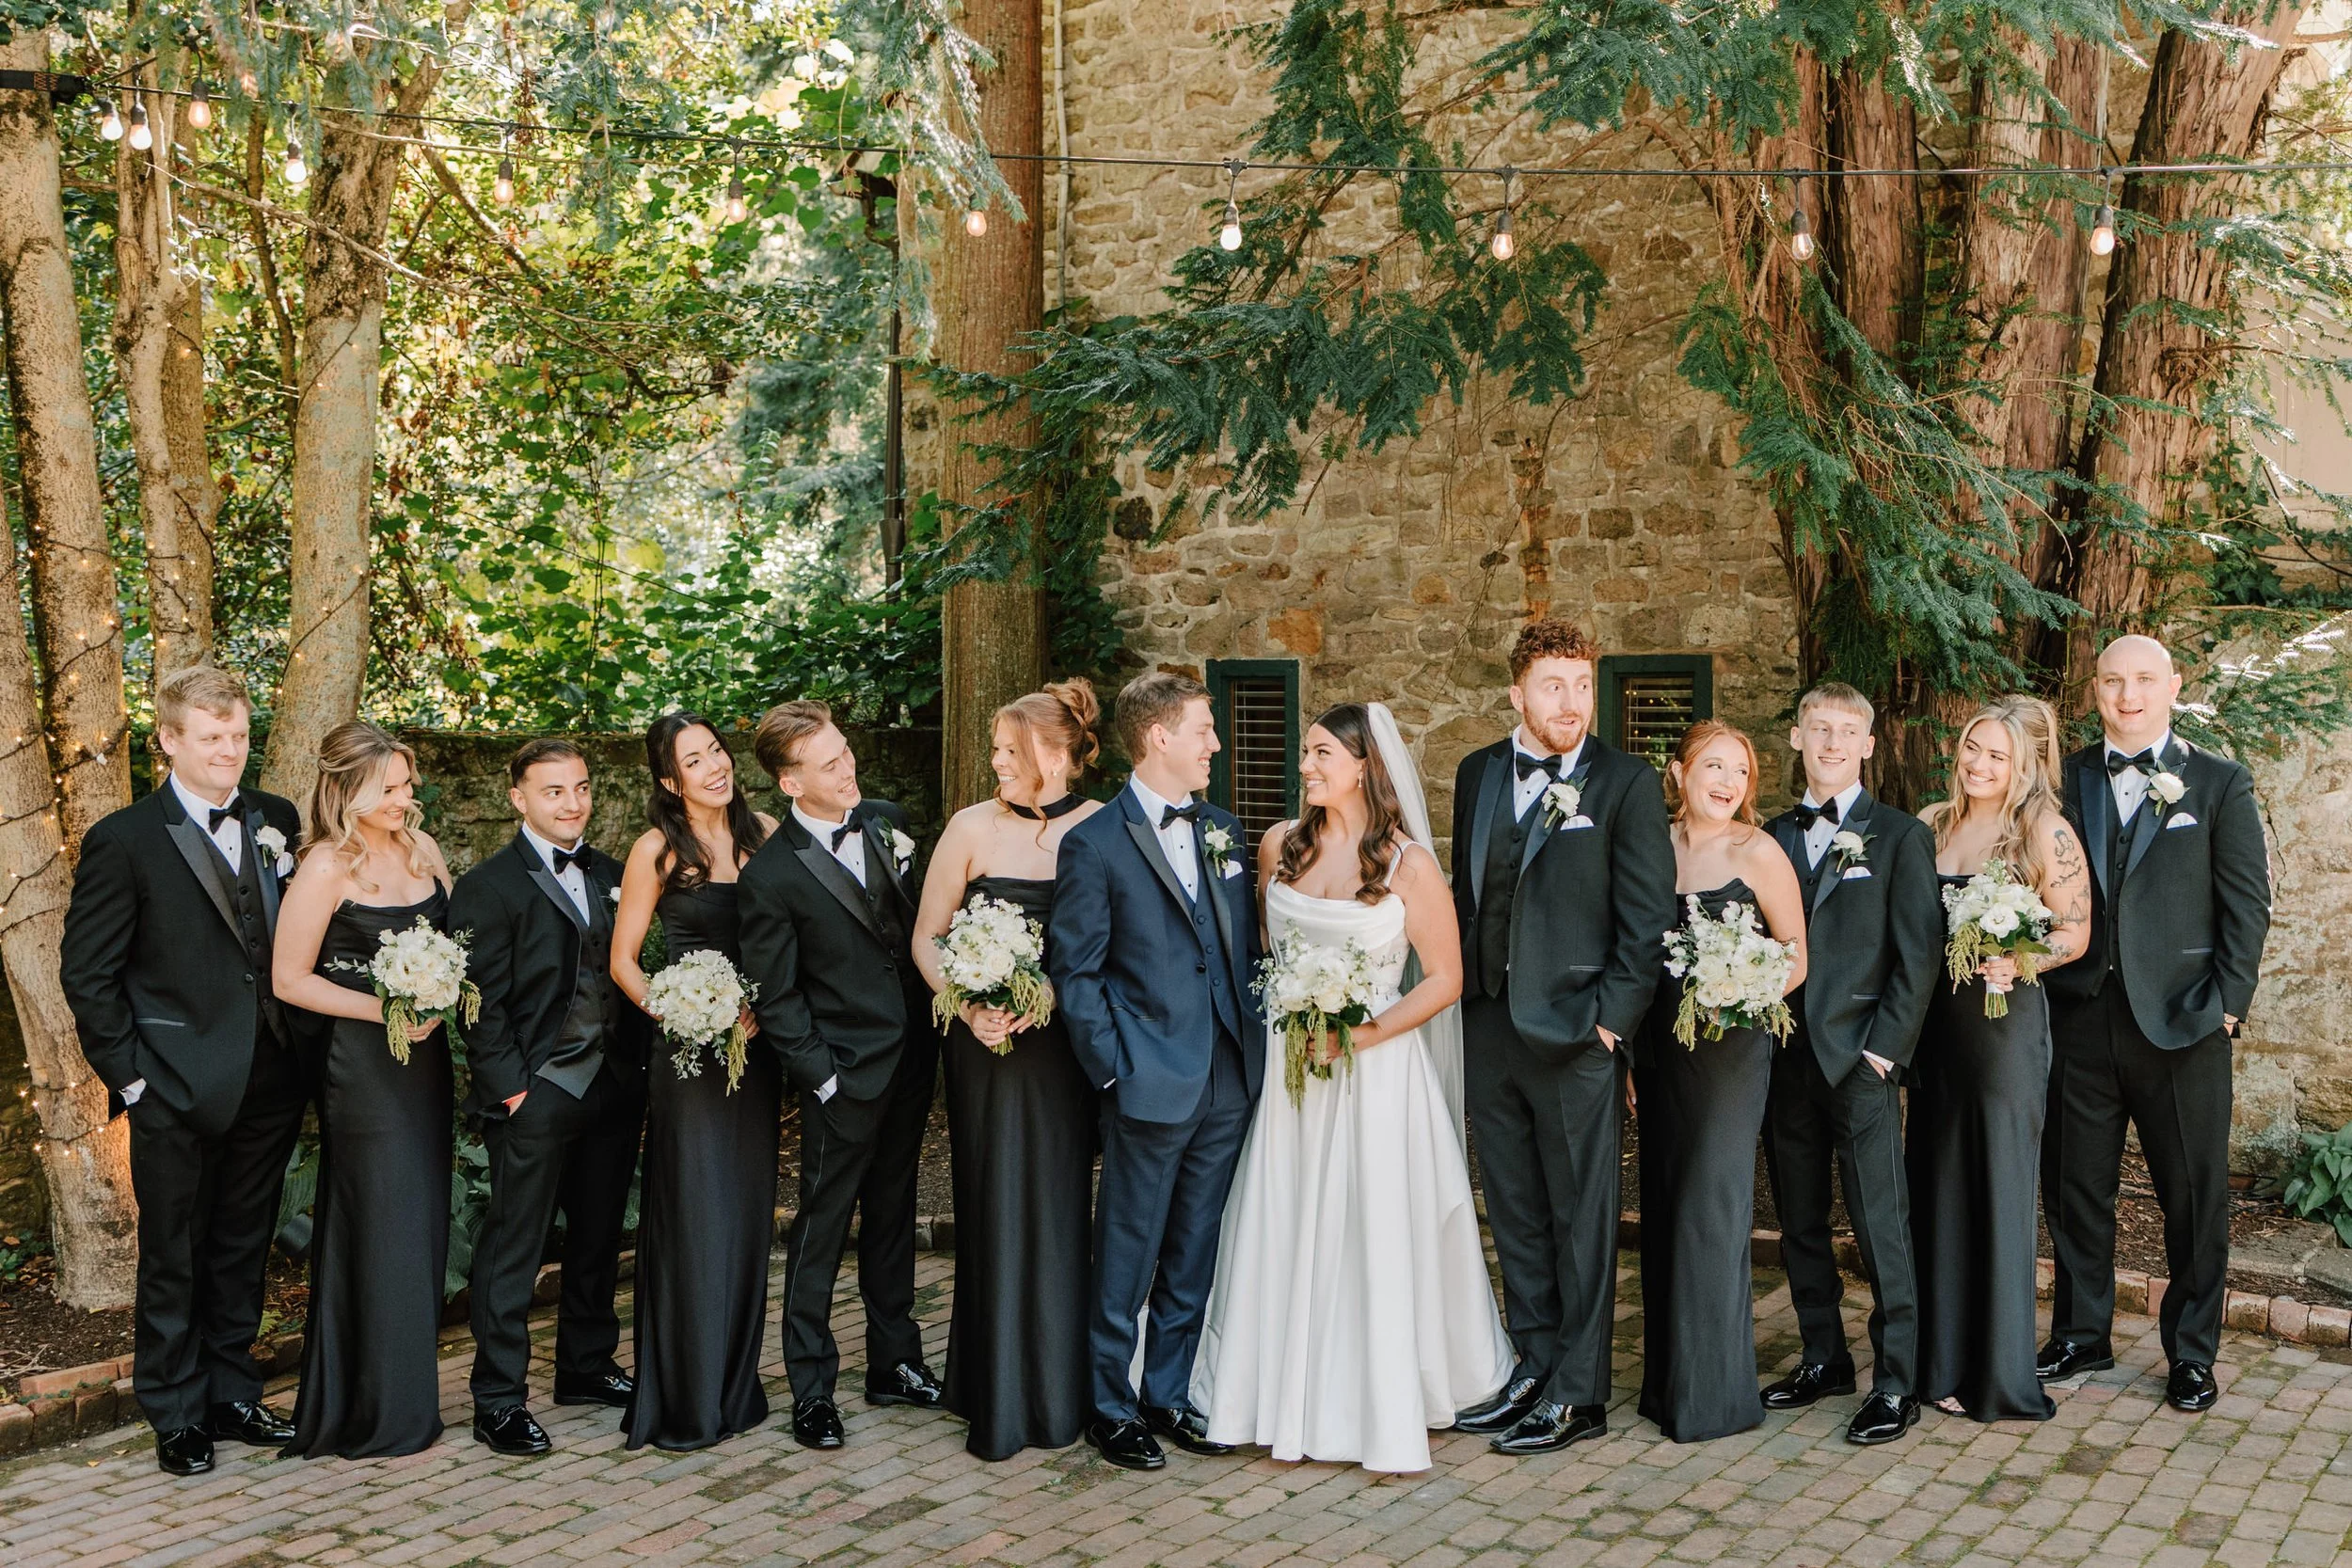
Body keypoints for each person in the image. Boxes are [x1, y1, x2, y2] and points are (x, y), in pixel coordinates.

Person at [1190, 702, 1514, 1473]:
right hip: (1296, 1073)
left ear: (1366, 764)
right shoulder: (1277, 847)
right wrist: (1300, 1018)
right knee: (1290, 1216)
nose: (1307, 766)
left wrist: (1360, 1033)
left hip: (1376, 1075)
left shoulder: (1409, 865)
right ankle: (1273, 1390)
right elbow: (1269, 956)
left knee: (1370, 1226)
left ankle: (1373, 1394)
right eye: (1305, 752)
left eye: (1322, 752)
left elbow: (1445, 979)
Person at [60, 664, 306, 1477]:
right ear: (169, 740)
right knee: (175, 1252)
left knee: (243, 1245)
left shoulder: (276, 819)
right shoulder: (123, 839)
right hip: (171, 1085)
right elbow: (88, 974)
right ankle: (174, 1409)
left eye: (238, 735)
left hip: (270, 1078)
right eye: (212, 737)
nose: (229, 750)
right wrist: (134, 1082)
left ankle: (232, 1390)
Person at [1447, 619, 1677, 1455]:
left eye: (1582, 685)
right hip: (1490, 1028)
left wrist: (1610, 1026)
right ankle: (1533, 1366)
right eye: (1554, 685)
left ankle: (1579, 1394)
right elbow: (1470, 892)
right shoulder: (1476, 772)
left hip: (1580, 1035)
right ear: (1518, 692)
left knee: (1583, 1218)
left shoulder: (1625, 782)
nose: (1572, 703)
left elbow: (1647, 917)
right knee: (1514, 1210)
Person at [2041, 636, 2272, 1413]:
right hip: (2079, 1017)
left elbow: (2247, 905)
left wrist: (2227, 1007)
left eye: (2144, 679)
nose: (2128, 694)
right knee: (2076, 1186)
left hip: (2184, 1024)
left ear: (2174, 685)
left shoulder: (2218, 782)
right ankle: (2079, 1334)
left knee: (2194, 1195)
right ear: (2094, 688)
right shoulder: (2063, 779)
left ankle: (2192, 1353)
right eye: (2112, 680)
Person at [1051, 672, 1263, 1473]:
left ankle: (1166, 1394)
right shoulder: (1095, 843)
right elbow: (1077, 973)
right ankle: (1110, 1406)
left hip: (1226, 1078)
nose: (1215, 743)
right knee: (1129, 1253)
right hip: (1147, 1081)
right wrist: (1115, 1071)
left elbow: (1237, 948)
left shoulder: (1222, 827)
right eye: (1203, 729)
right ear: (1159, 738)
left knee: (1193, 1249)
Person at [737, 700, 944, 1451]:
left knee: (893, 1212)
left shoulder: (887, 820)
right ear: (791, 783)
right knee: (821, 1231)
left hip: (913, 1060)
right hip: (843, 1075)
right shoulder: (771, 875)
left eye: (846, 751)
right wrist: (821, 1077)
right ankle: (813, 1387)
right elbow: (777, 992)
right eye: (829, 763)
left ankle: (894, 1361)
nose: (848, 766)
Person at [914, 680, 1104, 1461]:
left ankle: (1064, 1384)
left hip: (1061, 1050)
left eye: (1008, 749)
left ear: (1055, 755)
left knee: (1059, 1203)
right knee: (991, 1200)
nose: (994, 760)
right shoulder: (968, 827)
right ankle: (990, 1386)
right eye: (994, 747)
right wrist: (964, 1002)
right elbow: (927, 936)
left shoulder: (1104, 829)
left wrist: (1054, 990)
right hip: (984, 1049)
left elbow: (1119, 946)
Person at [449, 738, 649, 1455]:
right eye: (555, 791)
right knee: (515, 1248)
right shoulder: (487, 885)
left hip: (611, 1088)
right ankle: (498, 1399)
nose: (572, 802)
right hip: (535, 1094)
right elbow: (481, 1004)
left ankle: (587, 1366)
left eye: (581, 788)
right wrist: (513, 1093)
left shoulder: (617, 873)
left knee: (597, 1239)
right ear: (520, 798)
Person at [1757, 684, 1942, 1446]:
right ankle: (1824, 1355)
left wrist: (1881, 1053)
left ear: (1869, 745)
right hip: (1782, 1061)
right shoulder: (1767, 835)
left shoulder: (1898, 836)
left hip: (1861, 1063)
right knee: (1798, 1219)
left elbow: (1919, 953)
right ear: (1798, 737)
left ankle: (1896, 1378)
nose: (1832, 741)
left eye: (1848, 731)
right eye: (1820, 727)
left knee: (1880, 1225)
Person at [272, 724, 458, 1459]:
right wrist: (388, 1009)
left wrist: (444, 986)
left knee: (420, 1223)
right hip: (365, 1067)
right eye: (393, 786)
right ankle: (368, 1407)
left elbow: (457, 939)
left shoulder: (423, 849)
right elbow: (292, 979)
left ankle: (409, 1398)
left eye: (408, 783)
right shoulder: (324, 865)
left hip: (427, 1064)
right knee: (379, 1222)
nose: (407, 797)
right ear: (349, 789)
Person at [1911, 698, 2090, 1422]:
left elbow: (2074, 934)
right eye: (1971, 748)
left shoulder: (2042, 830)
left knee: (1996, 1190)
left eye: (1996, 755)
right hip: (1937, 1038)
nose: (1979, 764)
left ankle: (1995, 1371)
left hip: (2002, 1032)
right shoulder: (1934, 824)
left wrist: (2021, 961)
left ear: (2023, 765)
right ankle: (1939, 1363)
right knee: (1937, 1187)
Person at [608, 714, 778, 1451]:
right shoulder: (656, 849)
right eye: (694, 760)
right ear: (669, 781)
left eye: (717, 751)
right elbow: (624, 961)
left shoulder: (767, 831)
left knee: (745, 1211)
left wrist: (765, 1008)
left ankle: (736, 1383)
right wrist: (681, 1012)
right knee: (694, 1211)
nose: (714, 766)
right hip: (688, 1058)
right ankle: (684, 1390)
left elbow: (790, 934)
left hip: (757, 1053)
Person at [1634, 721, 1806, 1444]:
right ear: (1679, 771)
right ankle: (1669, 1386)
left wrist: (1744, 986)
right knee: (1667, 1203)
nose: (1728, 780)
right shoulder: (1650, 844)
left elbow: (1795, 958)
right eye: (1714, 764)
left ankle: (1717, 1395)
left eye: (1740, 770)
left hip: (1732, 1050)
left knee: (1712, 1204)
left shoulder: (1758, 852)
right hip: (1660, 1050)